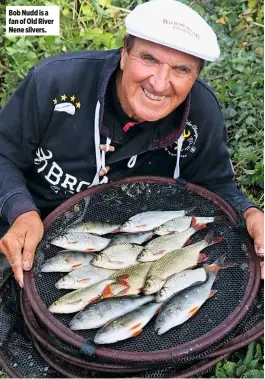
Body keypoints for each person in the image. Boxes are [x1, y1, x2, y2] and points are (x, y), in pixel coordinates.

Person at [0, 0, 263, 287]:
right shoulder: (54, 83)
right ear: (124, 54)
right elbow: (3, 153)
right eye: (148, 59)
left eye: (181, 69)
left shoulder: (202, 112)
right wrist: (21, 211)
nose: (160, 83)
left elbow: (216, 184)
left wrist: (249, 212)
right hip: (39, 220)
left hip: (139, 244)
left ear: (196, 75)